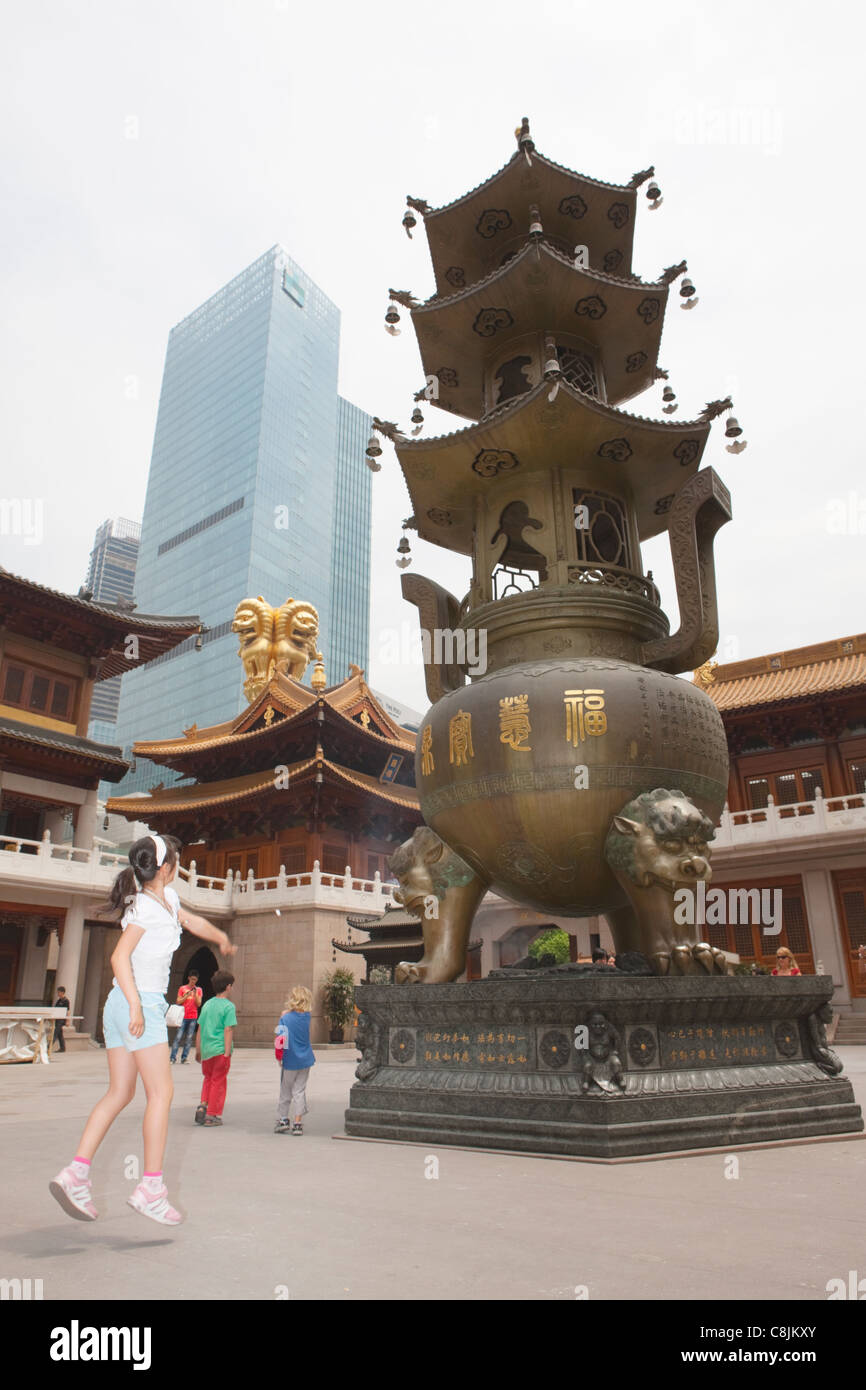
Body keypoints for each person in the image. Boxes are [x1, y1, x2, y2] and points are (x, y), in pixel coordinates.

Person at [49, 833, 236, 1225]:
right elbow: (120, 957)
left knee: (120, 1092)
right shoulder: (147, 910)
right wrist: (138, 1005)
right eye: (178, 862)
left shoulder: (166, 900)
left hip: (120, 1004)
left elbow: (190, 919)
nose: (179, 868)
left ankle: (76, 1173)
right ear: (167, 867)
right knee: (161, 1093)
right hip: (138, 1003)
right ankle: (151, 1187)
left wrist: (218, 935)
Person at [194, 971, 237, 1127]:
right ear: (228, 987)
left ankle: (203, 1105)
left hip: (206, 1050)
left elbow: (200, 1028)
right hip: (220, 1049)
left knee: (208, 1078)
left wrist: (198, 1050)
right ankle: (212, 1115)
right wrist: (226, 1052)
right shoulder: (228, 1006)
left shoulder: (207, 1004)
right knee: (218, 1081)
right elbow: (228, 1030)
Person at [274, 985, 316, 1135]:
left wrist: (279, 1056)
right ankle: (298, 1122)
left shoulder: (284, 1018)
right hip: (306, 1059)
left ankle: (283, 1119)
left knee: (286, 1090)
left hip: (290, 1058)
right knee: (299, 1090)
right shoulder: (307, 1017)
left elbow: (280, 1039)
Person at [170, 971, 202, 1064]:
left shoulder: (199, 990)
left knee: (189, 1038)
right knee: (178, 1037)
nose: (193, 981)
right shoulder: (182, 988)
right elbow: (178, 1001)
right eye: (192, 979)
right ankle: (172, 1057)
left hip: (193, 1017)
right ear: (189, 978)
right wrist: (187, 995)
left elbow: (198, 1003)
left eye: (195, 980)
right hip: (183, 1016)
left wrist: (195, 994)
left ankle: (184, 1057)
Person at [53, 986, 71, 1053]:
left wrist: (67, 1021)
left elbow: (68, 1011)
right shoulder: (59, 1001)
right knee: (60, 1034)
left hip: (62, 1019)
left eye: (59, 992)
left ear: (62, 992)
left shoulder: (66, 1001)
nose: (58, 993)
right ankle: (62, 1048)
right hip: (57, 1018)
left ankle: (48, 1047)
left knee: (55, 1033)